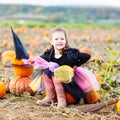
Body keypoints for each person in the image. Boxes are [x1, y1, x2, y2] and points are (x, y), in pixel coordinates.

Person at [35, 26, 91, 107]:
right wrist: (30, 60)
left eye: (62, 39)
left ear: (66, 41)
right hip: (55, 84)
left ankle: (62, 99)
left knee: (56, 72)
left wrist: (76, 64)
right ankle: (50, 97)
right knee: (47, 70)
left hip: (68, 82)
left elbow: (87, 56)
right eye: (56, 39)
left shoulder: (70, 54)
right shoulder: (49, 54)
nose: (59, 41)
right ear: (51, 42)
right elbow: (39, 59)